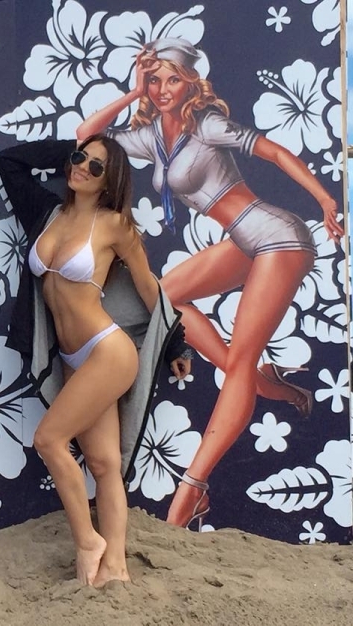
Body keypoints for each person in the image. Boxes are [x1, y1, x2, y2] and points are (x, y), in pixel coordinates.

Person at [75, 38, 343, 530]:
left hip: (278, 236)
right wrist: (132, 92)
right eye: (155, 80)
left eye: (172, 80)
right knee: (163, 296)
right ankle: (263, 383)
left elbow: (275, 152)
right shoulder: (151, 137)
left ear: (190, 84)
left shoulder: (208, 125)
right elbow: (86, 136)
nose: (162, 89)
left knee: (237, 362)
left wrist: (325, 200)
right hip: (242, 240)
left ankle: (191, 491)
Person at [0, 135, 191, 587]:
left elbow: (147, 286)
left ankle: (88, 541)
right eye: (80, 158)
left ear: (110, 180)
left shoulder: (115, 225)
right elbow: (10, 162)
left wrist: (176, 343)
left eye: (97, 166)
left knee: (49, 440)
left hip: (107, 350)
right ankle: (116, 569)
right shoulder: (47, 213)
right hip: (71, 357)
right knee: (103, 465)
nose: (83, 167)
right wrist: (74, 145)